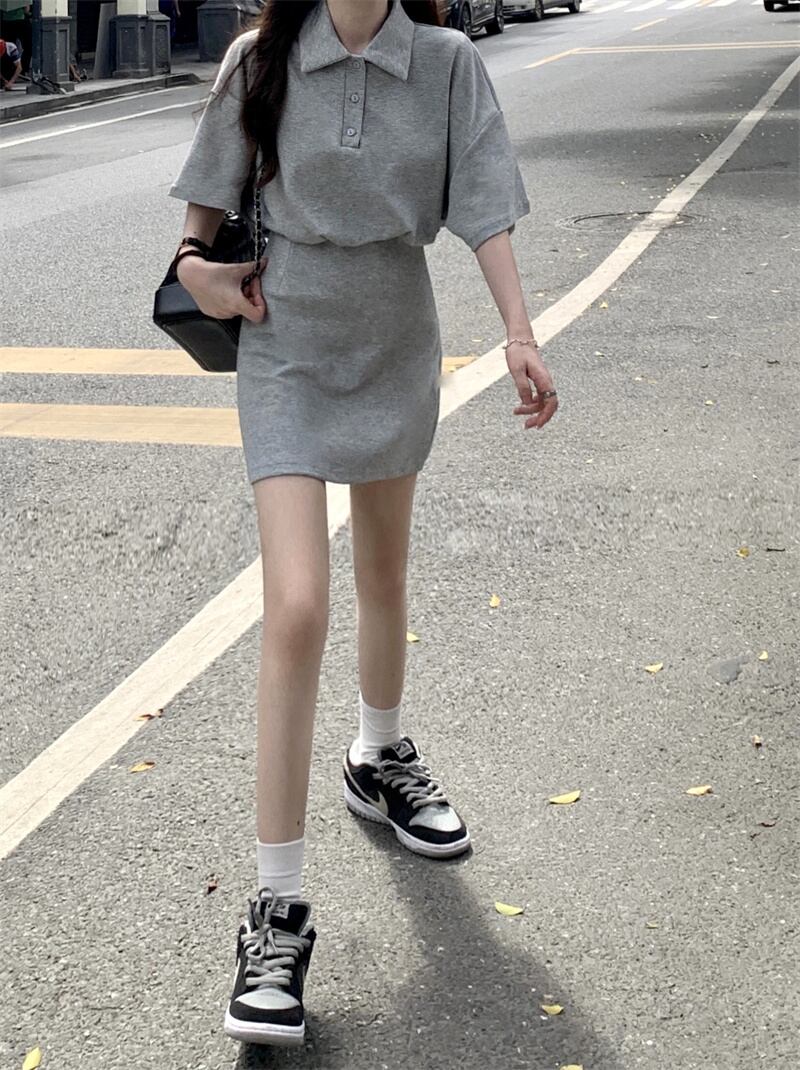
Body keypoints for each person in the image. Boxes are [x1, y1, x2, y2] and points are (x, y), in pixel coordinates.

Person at [167, 0, 558, 1049]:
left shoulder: (445, 62)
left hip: (393, 337)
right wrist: (203, 276)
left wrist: (518, 331)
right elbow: (194, 235)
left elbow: (484, 205)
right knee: (297, 604)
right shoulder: (259, 60)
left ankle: (377, 755)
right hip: (285, 342)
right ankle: (276, 909)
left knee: (384, 573)